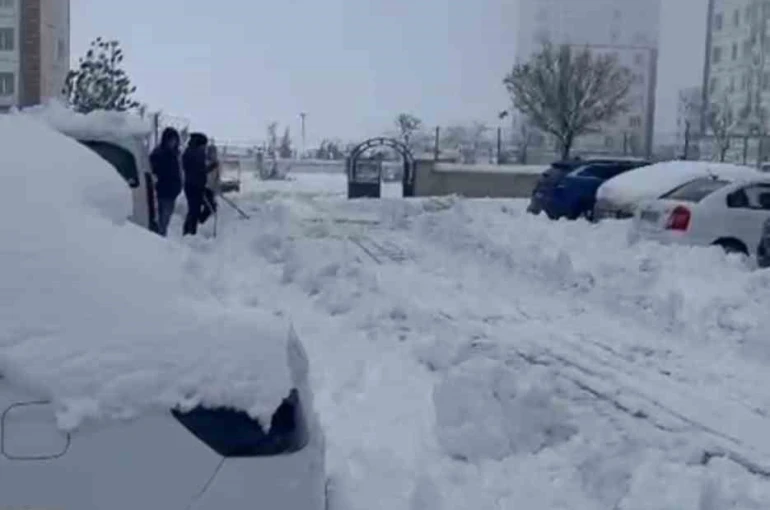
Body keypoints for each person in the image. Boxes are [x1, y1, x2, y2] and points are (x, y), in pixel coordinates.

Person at [149, 127, 182, 237]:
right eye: (171, 140)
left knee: (165, 221)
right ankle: (158, 241)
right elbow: (152, 172)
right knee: (160, 222)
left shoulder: (175, 155)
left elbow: (177, 173)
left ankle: (161, 239)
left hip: (171, 194)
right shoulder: (158, 154)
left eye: (175, 140)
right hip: (160, 192)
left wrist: (177, 188)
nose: (173, 143)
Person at [182, 132, 212, 236]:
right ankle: (190, 232)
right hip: (195, 186)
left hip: (191, 185)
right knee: (195, 210)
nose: (205, 147)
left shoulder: (189, 151)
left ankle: (188, 231)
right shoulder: (197, 153)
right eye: (204, 145)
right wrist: (211, 167)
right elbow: (200, 170)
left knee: (193, 209)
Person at [200, 142, 220, 226]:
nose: (214, 155)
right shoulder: (204, 162)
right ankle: (200, 221)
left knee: (213, 207)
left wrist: (217, 188)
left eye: (215, 153)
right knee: (210, 207)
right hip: (204, 188)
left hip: (211, 189)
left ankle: (203, 222)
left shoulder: (216, 163)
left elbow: (217, 178)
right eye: (212, 152)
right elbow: (203, 173)